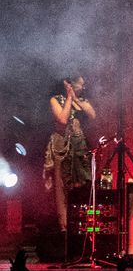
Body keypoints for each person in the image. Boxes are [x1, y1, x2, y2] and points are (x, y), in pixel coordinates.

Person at [43, 75, 97, 232]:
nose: (83, 87)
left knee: (83, 184)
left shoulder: (83, 101)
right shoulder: (55, 100)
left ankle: (83, 225)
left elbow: (92, 115)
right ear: (68, 84)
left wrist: (76, 99)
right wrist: (69, 98)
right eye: (80, 84)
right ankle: (64, 227)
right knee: (63, 186)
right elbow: (62, 120)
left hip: (80, 147)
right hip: (62, 147)